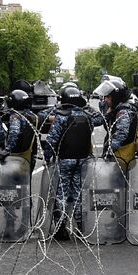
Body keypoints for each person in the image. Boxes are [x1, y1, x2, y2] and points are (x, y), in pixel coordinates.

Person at [41, 83, 102, 238]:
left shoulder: (61, 117)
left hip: (65, 160)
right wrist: (86, 106)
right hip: (82, 159)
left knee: (61, 194)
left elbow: (52, 140)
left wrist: (47, 157)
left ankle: (61, 228)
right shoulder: (87, 117)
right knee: (79, 194)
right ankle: (82, 227)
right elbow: (100, 119)